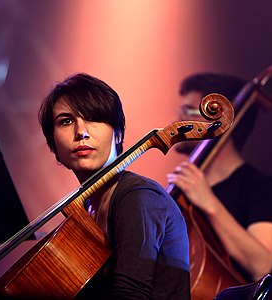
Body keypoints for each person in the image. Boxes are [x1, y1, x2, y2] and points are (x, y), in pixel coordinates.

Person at [38, 73, 190, 299]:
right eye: (66, 121)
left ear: (118, 133)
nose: (81, 132)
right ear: (52, 145)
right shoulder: (87, 208)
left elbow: (130, 293)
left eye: (93, 118)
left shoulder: (138, 197)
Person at [166, 73, 272, 282]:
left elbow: (261, 265)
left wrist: (209, 203)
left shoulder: (263, 188)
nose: (176, 121)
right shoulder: (181, 190)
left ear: (220, 121)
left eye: (187, 111)